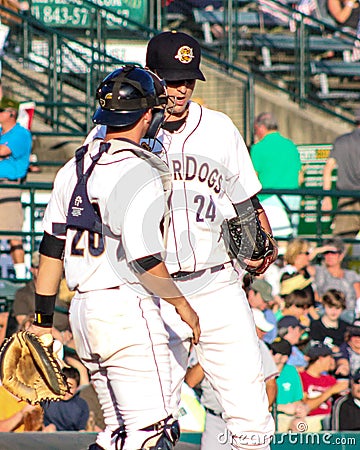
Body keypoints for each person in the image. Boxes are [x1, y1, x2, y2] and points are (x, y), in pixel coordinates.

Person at [85, 31, 277, 449]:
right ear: (151, 75)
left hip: (217, 282)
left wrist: (264, 235)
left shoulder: (219, 128)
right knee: (145, 419)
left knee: (251, 409)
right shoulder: (119, 131)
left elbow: (246, 196)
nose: (181, 89)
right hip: (152, 289)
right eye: (172, 79)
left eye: (188, 80)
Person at [29, 65, 200, 450]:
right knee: (153, 431)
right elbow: (144, 258)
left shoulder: (72, 168)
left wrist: (42, 320)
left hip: (84, 313)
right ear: (147, 116)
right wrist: (184, 307)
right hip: (126, 310)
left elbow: (51, 249)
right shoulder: (138, 168)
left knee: (117, 433)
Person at [185, 308, 279, 450]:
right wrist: (214, 351)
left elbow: (271, 384)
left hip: (247, 419)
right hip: (216, 419)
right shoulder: (207, 343)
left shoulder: (257, 346)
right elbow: (191, 381)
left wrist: (262, 411)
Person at [250, 112, 302, 239]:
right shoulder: (290, 145)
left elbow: (252, 178)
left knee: (272, 241)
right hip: (293, 198)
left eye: (255, 130)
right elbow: (300, 176)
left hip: (269, 200)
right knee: (291, 243)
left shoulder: (258, 148)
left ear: (261, 127)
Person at [0, 97, 32, 279]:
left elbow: (3, 151)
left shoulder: (21, 133)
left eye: (1, 111)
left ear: (11, 113)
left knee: (13, 235)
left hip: (8, 186)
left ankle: (21, 279)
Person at [322, 111, 360, 239]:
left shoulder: (341, 141)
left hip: (346, 198)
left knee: (341, 243)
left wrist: (327, 198)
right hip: (349, 196)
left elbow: (328, 168)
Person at [300, 342, 349, 431]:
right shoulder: (302, 377)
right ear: (321, 358)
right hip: (309, 421)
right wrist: (330, 391)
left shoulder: (330, 379)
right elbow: (305, 405)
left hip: (329, 420)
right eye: (330, 357)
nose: (332, 361)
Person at [311, 237, 360, 323]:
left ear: (341, 255)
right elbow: (301, 263)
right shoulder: (318, 271)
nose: (329, 256)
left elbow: (358, 297)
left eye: (333, 252)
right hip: (326, 313)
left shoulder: (351, 275)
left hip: (348, 314)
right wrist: (317, 251)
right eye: (326, 253)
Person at [268, 337, 306, 432]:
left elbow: (298, 399)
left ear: (284, 358)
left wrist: (298, 409)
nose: (269, 353)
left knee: (300, 424)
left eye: (274, 352)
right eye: (269, 350)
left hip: (287, 417)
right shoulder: (261, 371)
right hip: (267, 416)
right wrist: (282, 408)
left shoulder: (291, 371)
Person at [42, 366, 89, 432]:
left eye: (70, 387)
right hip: (50, 437)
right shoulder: (48, 401)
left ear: (77, 388)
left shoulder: (81, 405)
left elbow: (82, 430)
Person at [247, 278, 278, 343]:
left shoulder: (268, 314)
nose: (266, 304)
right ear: (251, 293)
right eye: (264, 300)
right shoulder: (237, 305)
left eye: (267, 301)